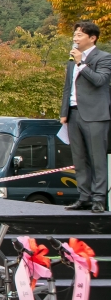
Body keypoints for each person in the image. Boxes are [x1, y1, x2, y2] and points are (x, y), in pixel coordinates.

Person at [61, 21, 111, 212]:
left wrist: (81, 62)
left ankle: (99, 199)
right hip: (74, 113)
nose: (75, 38)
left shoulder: (104, 58)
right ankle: (84, 196)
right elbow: (68, 88)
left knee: (97, 158)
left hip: (96, 115)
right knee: (79, 159)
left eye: (80, 35)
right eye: (74, 34)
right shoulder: (71, 61)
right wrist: (63, 112)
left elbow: (100, 80)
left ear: (92, 38)